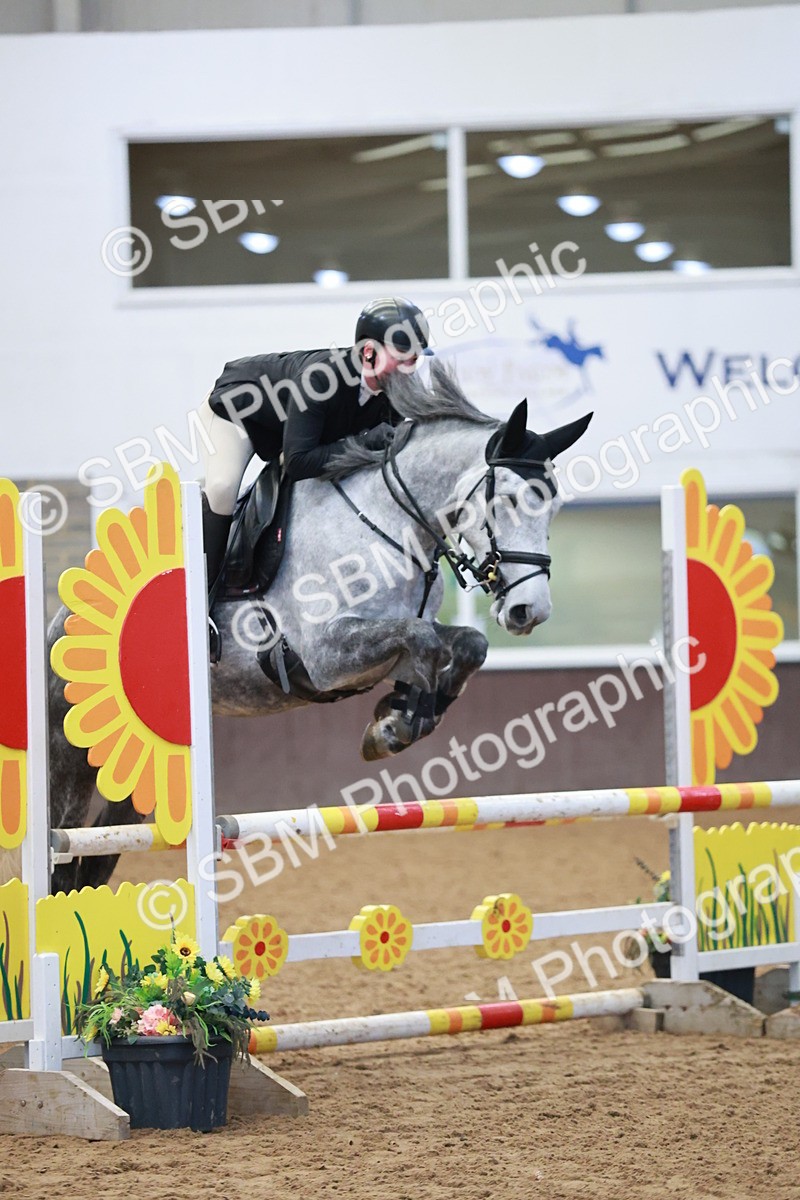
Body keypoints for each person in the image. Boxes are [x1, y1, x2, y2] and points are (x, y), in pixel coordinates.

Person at [197, 296, 430, 590]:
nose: (410, 368)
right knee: (222, 489)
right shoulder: (320, 379)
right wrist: (367, 441)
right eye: (402, 358)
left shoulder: (391, 392)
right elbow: (297, 463)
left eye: (415, 359)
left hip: (290, 429)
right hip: (237, 413)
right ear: (369, 352)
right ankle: (202, 595)